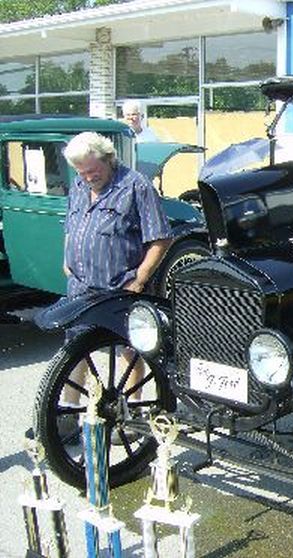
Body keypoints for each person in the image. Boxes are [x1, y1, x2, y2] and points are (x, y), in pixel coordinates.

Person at [58, 131, 173, 443]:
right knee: (74, 348)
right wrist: (67, 257)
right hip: (81, 284)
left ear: (108, 159)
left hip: (123, 285)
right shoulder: (79, 185)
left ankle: (130, 415)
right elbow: (71, 225)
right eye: (81, 172)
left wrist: (140, 278)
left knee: (129, 350)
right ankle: (68, 414)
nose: (87, 178)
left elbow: (161, 237)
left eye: (92, 171)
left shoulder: (136, 186)